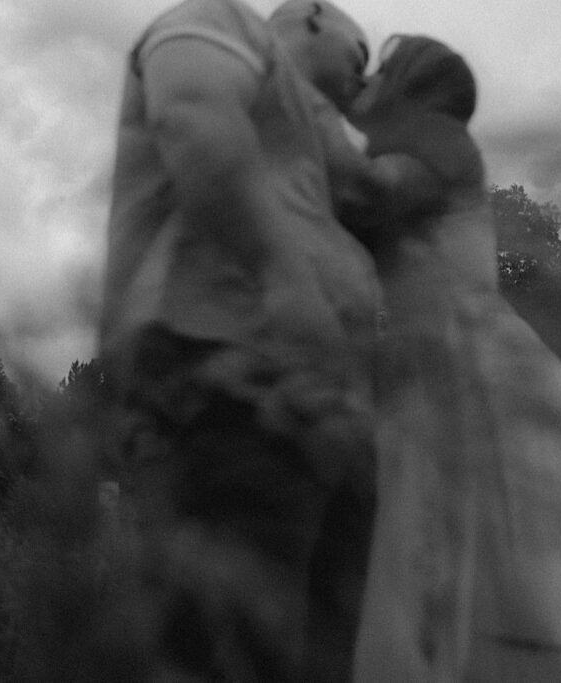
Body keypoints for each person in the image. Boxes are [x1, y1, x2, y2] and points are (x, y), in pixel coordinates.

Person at [343, 36, 561, 681]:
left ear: (411, 88)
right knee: (470, 575)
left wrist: (292, 122)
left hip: (476, 373)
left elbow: (366, 199)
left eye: (381, 68)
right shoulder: (423, 142)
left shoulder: (438, 138)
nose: (366, 79)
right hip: (453, 367)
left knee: (499, 578)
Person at [98, 1, 383, 679]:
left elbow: (372, 193)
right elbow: (192, 113)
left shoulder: (304, 124)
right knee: (229, 650)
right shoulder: (223, 20)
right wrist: (286, 281)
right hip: (224, 371)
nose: (363, 79)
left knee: (318, 655)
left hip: (317, 406)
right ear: (314, 16)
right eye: (361, 54)